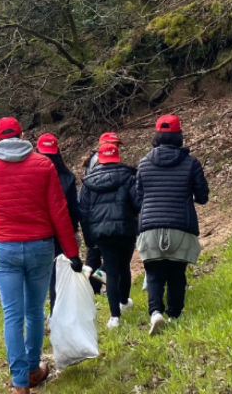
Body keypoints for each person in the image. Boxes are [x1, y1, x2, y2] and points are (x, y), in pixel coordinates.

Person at [0, 117, 81, 394]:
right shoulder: (43, 164)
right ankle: (32, 369)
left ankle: (19, 384)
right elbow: (59, 211)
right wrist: (72, 252)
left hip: (5, 248)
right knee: (35, 311)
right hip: (41, 246)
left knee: (13, 314)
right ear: (22, 135)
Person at [136, 114, 209, 335]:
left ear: (156, 136)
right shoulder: (191, 163)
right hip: (181, 227)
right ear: (179, 136)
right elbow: (203, 196)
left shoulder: (144, 163)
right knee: (177, 274)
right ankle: (174, 315)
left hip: (150, 227)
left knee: (154, 273)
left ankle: (155, 313)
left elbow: (138, 198)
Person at [78, 139, 139, 329]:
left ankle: (114, 318)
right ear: (117, 157)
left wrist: (90, 240)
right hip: (126, 229)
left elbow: (83, 213)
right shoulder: (129, 177)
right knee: (124, 266)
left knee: (111, 271)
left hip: (102, 233)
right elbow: (138, 203)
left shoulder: (88, 183)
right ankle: (124, 301)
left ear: (100, 159)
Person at [36, 133, 84, 312]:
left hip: (38, 232)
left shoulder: (32, 174)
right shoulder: (67, 176)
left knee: (37, 277)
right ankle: (55, 312)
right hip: (61, 233)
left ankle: (37, 314)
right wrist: (74, 231)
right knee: (57, 277)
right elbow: (73, 209)